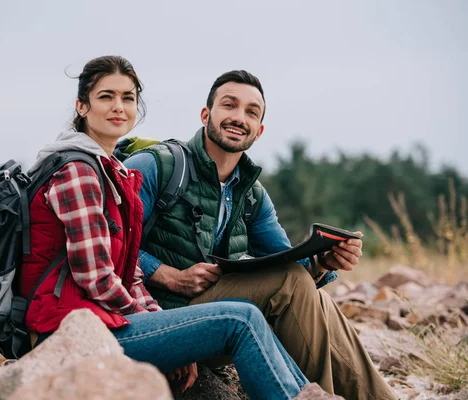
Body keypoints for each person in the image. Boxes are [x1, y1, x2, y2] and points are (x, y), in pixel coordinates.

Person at [19, 56, 309, 399]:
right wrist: (159, 329)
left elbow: (127, 273)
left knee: (246, 318)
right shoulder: (78, 172)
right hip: (72, 331)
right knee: (241, 319)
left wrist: (165, 329)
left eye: (128, 98)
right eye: (106, 96)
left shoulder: (109, 170)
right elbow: (96, 277)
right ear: (82, 106)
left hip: (104, 322)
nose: (119, 107)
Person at [123, 70, 398, 400]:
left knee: (316, 296)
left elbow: (289, 263)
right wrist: (168, 275)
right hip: (158, 316)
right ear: (206, 114)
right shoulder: (160, 166)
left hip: (217, 316)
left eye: (251, 112)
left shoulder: (250, 192)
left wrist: (324, 261)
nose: (239, 117)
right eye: (230, 105)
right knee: (289, 283)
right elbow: (106, 248)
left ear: (260, 130)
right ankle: (318, 396)